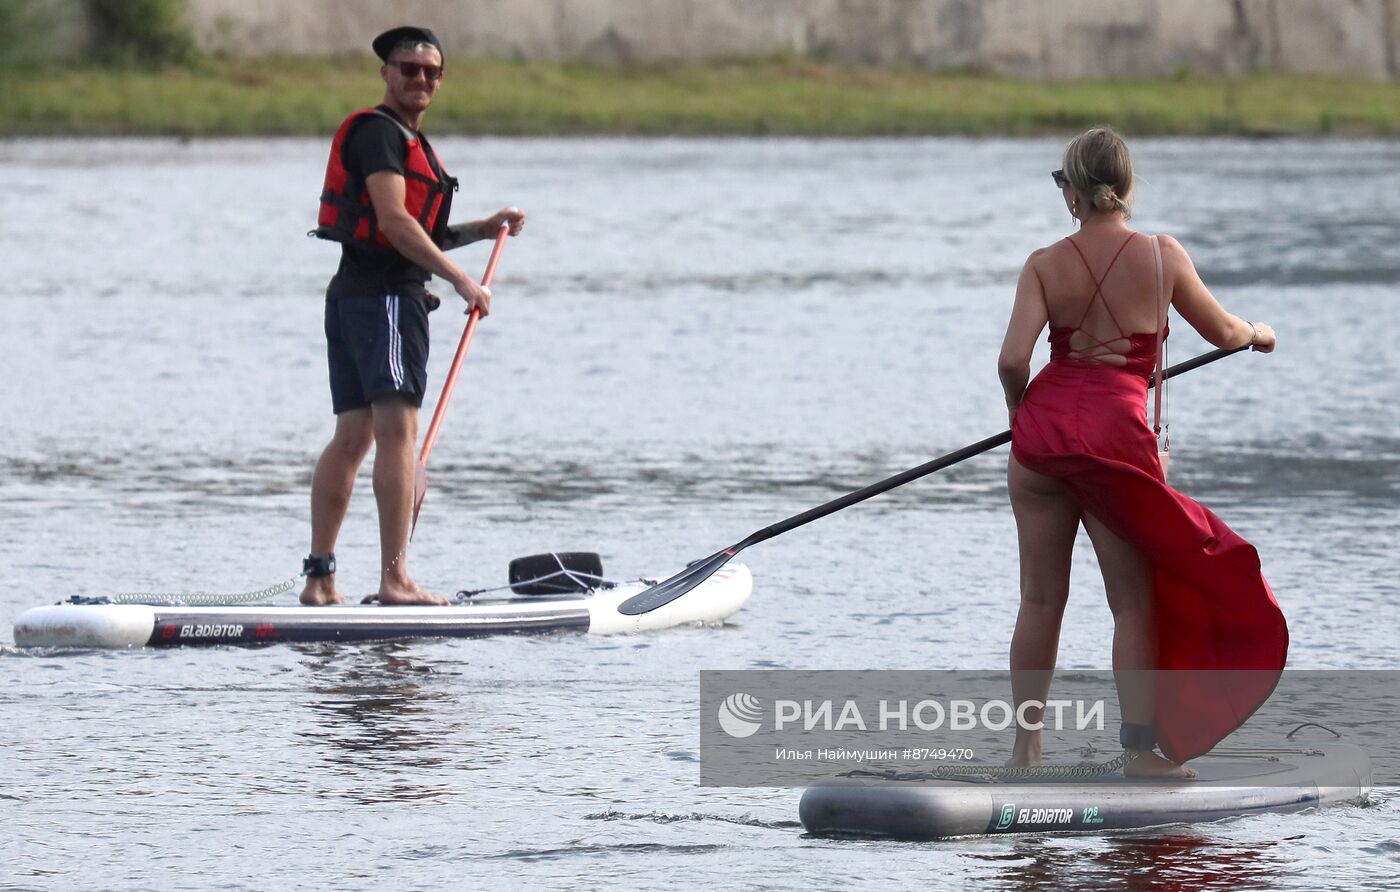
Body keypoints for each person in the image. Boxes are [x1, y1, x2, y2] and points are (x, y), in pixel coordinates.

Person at [997, 127, 1288, 777]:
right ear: (1126, 188)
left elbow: (1013, 359)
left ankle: (1025, 751)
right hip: (1118, 446)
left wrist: (1023, 415)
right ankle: (1139, 755)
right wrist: (1257, 334)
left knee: (1040, 599)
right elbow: (1224, 330)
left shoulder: (1044, 263)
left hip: (1042, 443)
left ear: (1074, 193)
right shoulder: (1162, 257)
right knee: (1131, 602)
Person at [302, 26, 526, 606]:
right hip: (384, 303)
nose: (420, 79)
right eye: (408, 69)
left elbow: (412, 233)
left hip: (354, 296)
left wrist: (483, 229)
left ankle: (320, 581)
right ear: (386, 74)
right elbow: (397, 224)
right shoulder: (380, 134)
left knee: (351, 437)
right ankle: (395, 579)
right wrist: (460, 281)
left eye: (431, 71)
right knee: (396, 434)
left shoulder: (401, 140)